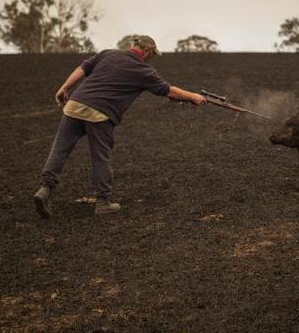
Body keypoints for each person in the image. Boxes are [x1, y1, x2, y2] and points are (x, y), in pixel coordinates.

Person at [33, 35, 206, 217]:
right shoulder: (143, 70)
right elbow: (169, 90)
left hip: (74, 105)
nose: (151, 58)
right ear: (147, 51)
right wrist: (194, 97)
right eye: (152, 54)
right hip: (100, 114)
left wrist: (64, 88)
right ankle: (103, 203)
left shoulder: (107, 54)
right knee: (101, 157)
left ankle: (45, 189)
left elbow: (82, 68)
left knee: (60, 149)